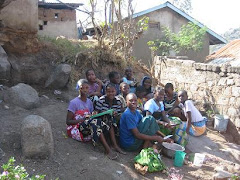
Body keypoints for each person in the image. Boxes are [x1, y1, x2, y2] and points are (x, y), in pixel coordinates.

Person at [66, 79, 118, 160]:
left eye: (87, 88)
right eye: (82, 88)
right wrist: (83, 119)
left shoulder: (89, 102)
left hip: (88, 123)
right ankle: (107, 150)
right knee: (95, 122)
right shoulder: (73, 102)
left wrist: (94, 114)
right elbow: (68, 121)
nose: (85, 90)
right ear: (78, 89)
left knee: (108, 117)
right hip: (78, 127)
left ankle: (114, 145)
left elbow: (91, 115)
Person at [95, 83, 126, 154]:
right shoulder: (101, 100)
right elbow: (96, 112)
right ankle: (114, 145)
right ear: (106, 92)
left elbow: (118, 113)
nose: (111, 93)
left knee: (118, 119)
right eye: (109, 92)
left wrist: (115, 113)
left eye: (113, 91)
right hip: (102, 119)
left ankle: (117, 143)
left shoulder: (118, 101)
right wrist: (105, 112)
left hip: (113, 120)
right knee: (109, 119)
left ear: (116, 92)